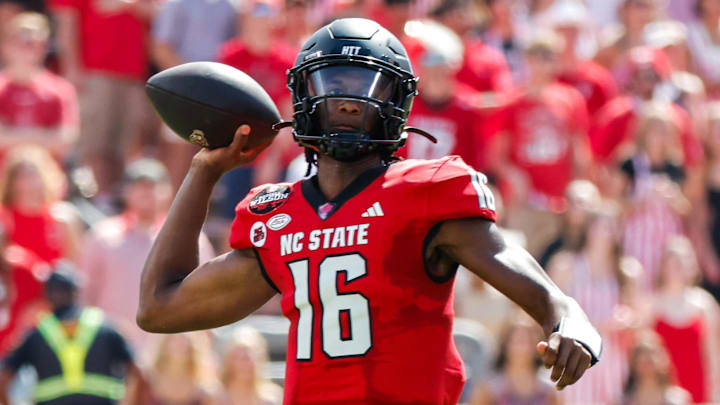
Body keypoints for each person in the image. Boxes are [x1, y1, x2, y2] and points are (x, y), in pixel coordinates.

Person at [137, 18, 602, 404]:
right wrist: (203, 172)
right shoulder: (276, 216)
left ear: (396, 103)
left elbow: (526, 277)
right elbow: (159, 307)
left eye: (365, 87)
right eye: (332, 83)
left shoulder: (427, 190)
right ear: (301, 97)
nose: (345, 99)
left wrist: (566, 318)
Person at [80, 158, 214, 347]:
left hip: (172, 353)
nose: (146, 192)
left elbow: (206, 293)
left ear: (168, 191)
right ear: (125, 191)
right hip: (113, 348)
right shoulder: (102, 237)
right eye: (139, 186)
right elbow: (86, 294)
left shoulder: (190, 237)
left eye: (153, 185)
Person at [484, 29, 591, 256]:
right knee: (521, 261)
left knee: (558, 262)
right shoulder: (512, 102)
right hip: (525, 203)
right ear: (527, 59)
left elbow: (579, 149)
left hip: (560, 203)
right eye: (538, 55)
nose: (543, 62)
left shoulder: (571, 99)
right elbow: (495, 157)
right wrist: (514, 175)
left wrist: (580, 187)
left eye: (550, 55)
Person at [50, 0, 157, 199]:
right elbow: (66, 20)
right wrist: (72, 67)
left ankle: (113, 199)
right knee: (94, 143)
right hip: (94, 71)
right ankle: (95, 198)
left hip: (134, 73)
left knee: (125, 146)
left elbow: (158, 11)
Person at [0, 263, 143, 405]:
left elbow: (3, 379)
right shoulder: (108, 328)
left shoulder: (34, 335)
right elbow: (141, 374)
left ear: (46, 295)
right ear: (76, 292)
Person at [0, 12, 79, 162]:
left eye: (40, 44)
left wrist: (12, 135)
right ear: (6, 45)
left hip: (48, 181)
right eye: (24, 43)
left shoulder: (61, 89)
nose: (32, 50)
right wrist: (43, 136)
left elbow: (67, 138)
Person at [651, 235, 720, 403]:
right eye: (673, 259)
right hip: (662, 395)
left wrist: (715, 395)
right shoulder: (651, 306)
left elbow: (713, 355)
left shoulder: (705, 305)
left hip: (698, 392)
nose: (679, 265)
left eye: (684, 259)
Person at [0, 145, 82, 264]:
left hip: (53, 282)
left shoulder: (62, 218)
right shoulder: (3, 219)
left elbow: (75, 266)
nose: (29, 183)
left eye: (33, 175)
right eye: (22, 177)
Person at [470, 316, 560, 405]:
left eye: (528, 340)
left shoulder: (549, 390)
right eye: (517, 340)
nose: (522, 346)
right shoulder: (489, 388)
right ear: (505, 344)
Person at [133, 332, 218, 405]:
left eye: (184, 340)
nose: (181, 344)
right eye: (175, 339)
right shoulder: (145, 380)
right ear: (163, 344)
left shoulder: (204, 388)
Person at [621, 330, 691, 405]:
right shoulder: (625, 400)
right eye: (642, 362)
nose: (646, 368)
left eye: (649, 362)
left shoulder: (677, 398)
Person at [218, 327, 282, 405]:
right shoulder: (215, 398)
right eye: (238, 357)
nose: (243, 365)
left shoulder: (272, 398)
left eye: (247, 358)